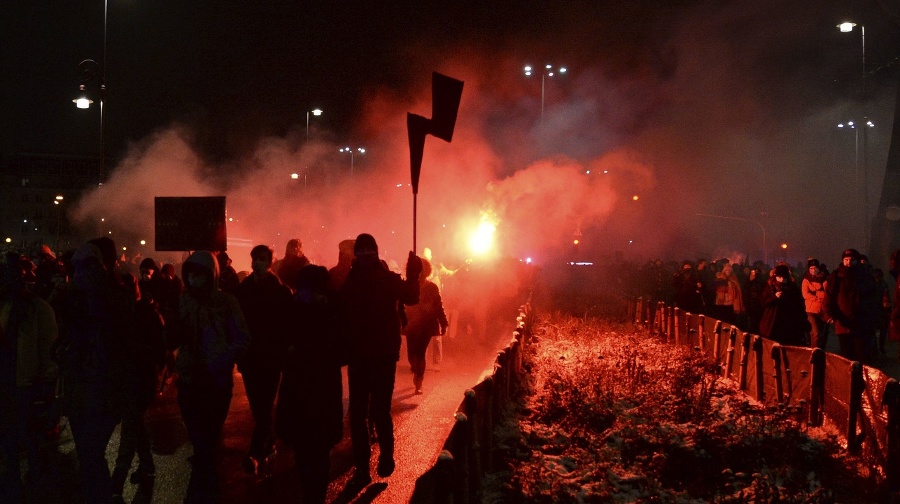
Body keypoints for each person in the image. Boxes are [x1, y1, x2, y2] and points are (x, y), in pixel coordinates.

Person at [340, 233, 421, 487]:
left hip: (373, 355)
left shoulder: (363, 281)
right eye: (362, 250)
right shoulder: (363, 281)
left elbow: (410, 296)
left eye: (367, 250)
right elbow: (410, 295)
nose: (364, 254)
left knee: (369, 412)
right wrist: (413, 275)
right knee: (369, 412)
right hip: (371, 356)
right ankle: (373, 462)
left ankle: (375, 461)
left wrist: (413, 274)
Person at [60, 237, 136, 503]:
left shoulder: (112, 297)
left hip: (100, 391)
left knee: (90, 454)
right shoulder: (82, 298)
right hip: (90, 391)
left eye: (89, 266)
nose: (82, 274)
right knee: (90, 454)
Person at [173, 250, 251, 503]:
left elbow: (242, 338)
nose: (196, 281)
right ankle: (205, 488)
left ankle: (204, 491)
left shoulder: (226, 302)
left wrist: (221, 359)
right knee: (198, 438)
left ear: (212, 276)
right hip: (188, 379)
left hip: (215, 380)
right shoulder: (184, 301)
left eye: (201, 276)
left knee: (208, 437)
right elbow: (173, 335)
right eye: (191, 276)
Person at [276, 265, 345, 504]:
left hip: (307, 390)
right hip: (316, 390)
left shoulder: (298, 310)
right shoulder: (325, 311)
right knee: (314, 452)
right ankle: (314, 496)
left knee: (308, 451)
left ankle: (312, 496)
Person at [0, 252, 59, 503]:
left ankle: (37, 485)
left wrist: (46, 386)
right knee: (9, 437)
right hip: (6, 382)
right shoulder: (5, 306)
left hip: (27, 385)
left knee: (30, 437)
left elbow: (49, 351)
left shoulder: (40, 310)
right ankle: (13, 481)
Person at [235, 245, 292, 476]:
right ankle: (268, 444)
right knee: (258, 407)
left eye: (262, 259)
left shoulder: (281, 292)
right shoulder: (243, 290)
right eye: (255, 258)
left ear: (270, 262)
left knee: (265, 406)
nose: (257, 262)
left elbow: (287, 325)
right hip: (250, 359)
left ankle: (255, 453)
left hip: (270, 358)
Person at [111, 273, 165, 501]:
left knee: (131, 425)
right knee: (135, 424)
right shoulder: (127, 312)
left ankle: (117, 481)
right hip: (132, 377)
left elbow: (158, 350)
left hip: (141, 378)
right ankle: (147, 464)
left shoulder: (147, 314)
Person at [824, 248, 878, 363]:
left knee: (861, 355)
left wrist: (872, 316)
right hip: (843, 322)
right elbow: (828, 297)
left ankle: (859, 379)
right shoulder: (835, 277)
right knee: (846, 356)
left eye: (852, 260)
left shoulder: (865, 277)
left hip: (861, 322)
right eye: (846, 259)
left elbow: (873, 298)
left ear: (857, 261)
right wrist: (828, 315)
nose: (849, 262)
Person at [404, 259, 449, 394]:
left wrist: (444, 322)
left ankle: (419, 380)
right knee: (412, 354)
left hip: (426, 325)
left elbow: (438, 307)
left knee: (420, 353)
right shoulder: (408, 286)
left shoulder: (432, 287)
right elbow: (402, 304)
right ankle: (416, 369)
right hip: (412, 324)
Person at [759, 264, 808, 346]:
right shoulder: (770, 287)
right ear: (775, 276)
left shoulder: (793, 288)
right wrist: (774, 297)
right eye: (779, 277)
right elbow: (763, 302)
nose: (781, 280)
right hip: (772, 321)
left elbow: (799, 305)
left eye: (783, 278)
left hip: (788, 322)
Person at [801, 258, 828, 349]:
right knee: (815, 333)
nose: (813, 270)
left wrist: (818, 294)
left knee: (820, 334)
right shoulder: (806, 280)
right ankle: (814, 351)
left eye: (815, 268)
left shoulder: (824, 279)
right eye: (811, 268)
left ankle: (817, 350)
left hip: (822, 310)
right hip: (811, 310)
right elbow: (805, 294)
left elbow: (827, 292)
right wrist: (818, 298)